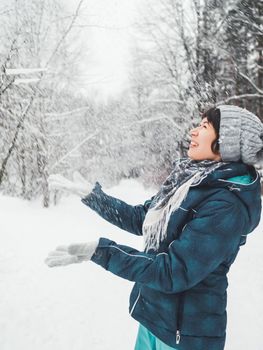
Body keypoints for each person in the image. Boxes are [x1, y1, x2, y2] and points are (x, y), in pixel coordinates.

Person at [45, 104, 263, 350]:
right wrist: (95, 198)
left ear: (227, 141)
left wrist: (102, 251)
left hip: (185, 337)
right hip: (154, 320)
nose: (193, 132)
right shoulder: (189, 182)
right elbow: (143, 218)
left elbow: (172, 272)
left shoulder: (226, 205)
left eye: (204, 127)